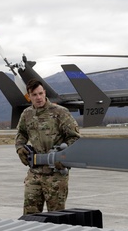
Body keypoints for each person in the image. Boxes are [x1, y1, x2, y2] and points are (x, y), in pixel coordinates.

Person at [14, 79, 81, 215]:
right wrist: (20, 148)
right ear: (29, 96)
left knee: (56, 217)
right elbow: (21, 134)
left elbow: (74, 138)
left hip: (55, 174)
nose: (38, 98)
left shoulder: (60, 113)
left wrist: (62, 155)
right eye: (34, 95)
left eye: (40, 93)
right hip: (35, 172)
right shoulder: (27, 114)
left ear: (44, 93)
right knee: (30, 215)